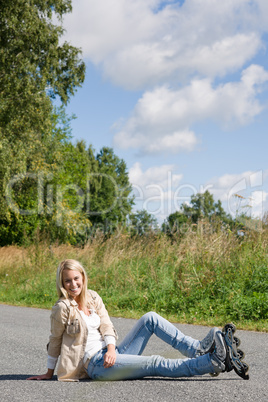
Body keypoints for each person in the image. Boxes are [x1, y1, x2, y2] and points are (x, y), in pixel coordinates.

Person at [27, 259, 232, 382]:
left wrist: (110, 349)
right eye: (67, 281)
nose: (73, 284)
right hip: (97, 366)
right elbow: (55, 340)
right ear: (62, 283)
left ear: (82, 277)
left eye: (76, 278)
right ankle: (210, 363)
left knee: (150, 318)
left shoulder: (93, 297)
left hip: (112, 354)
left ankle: (198, 350)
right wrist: (48, 373)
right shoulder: (62, 308)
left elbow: (106, 324)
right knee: (155, 362)